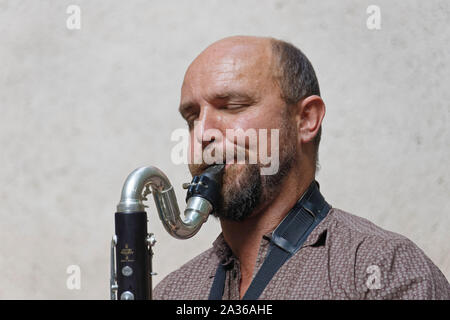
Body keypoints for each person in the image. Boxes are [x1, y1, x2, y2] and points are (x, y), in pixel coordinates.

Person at [153, 36, 450, 300]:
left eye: (232, 106)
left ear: (306, 119)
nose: (202, 134)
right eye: (192, 117)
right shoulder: (172, 292)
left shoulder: (385, 269)